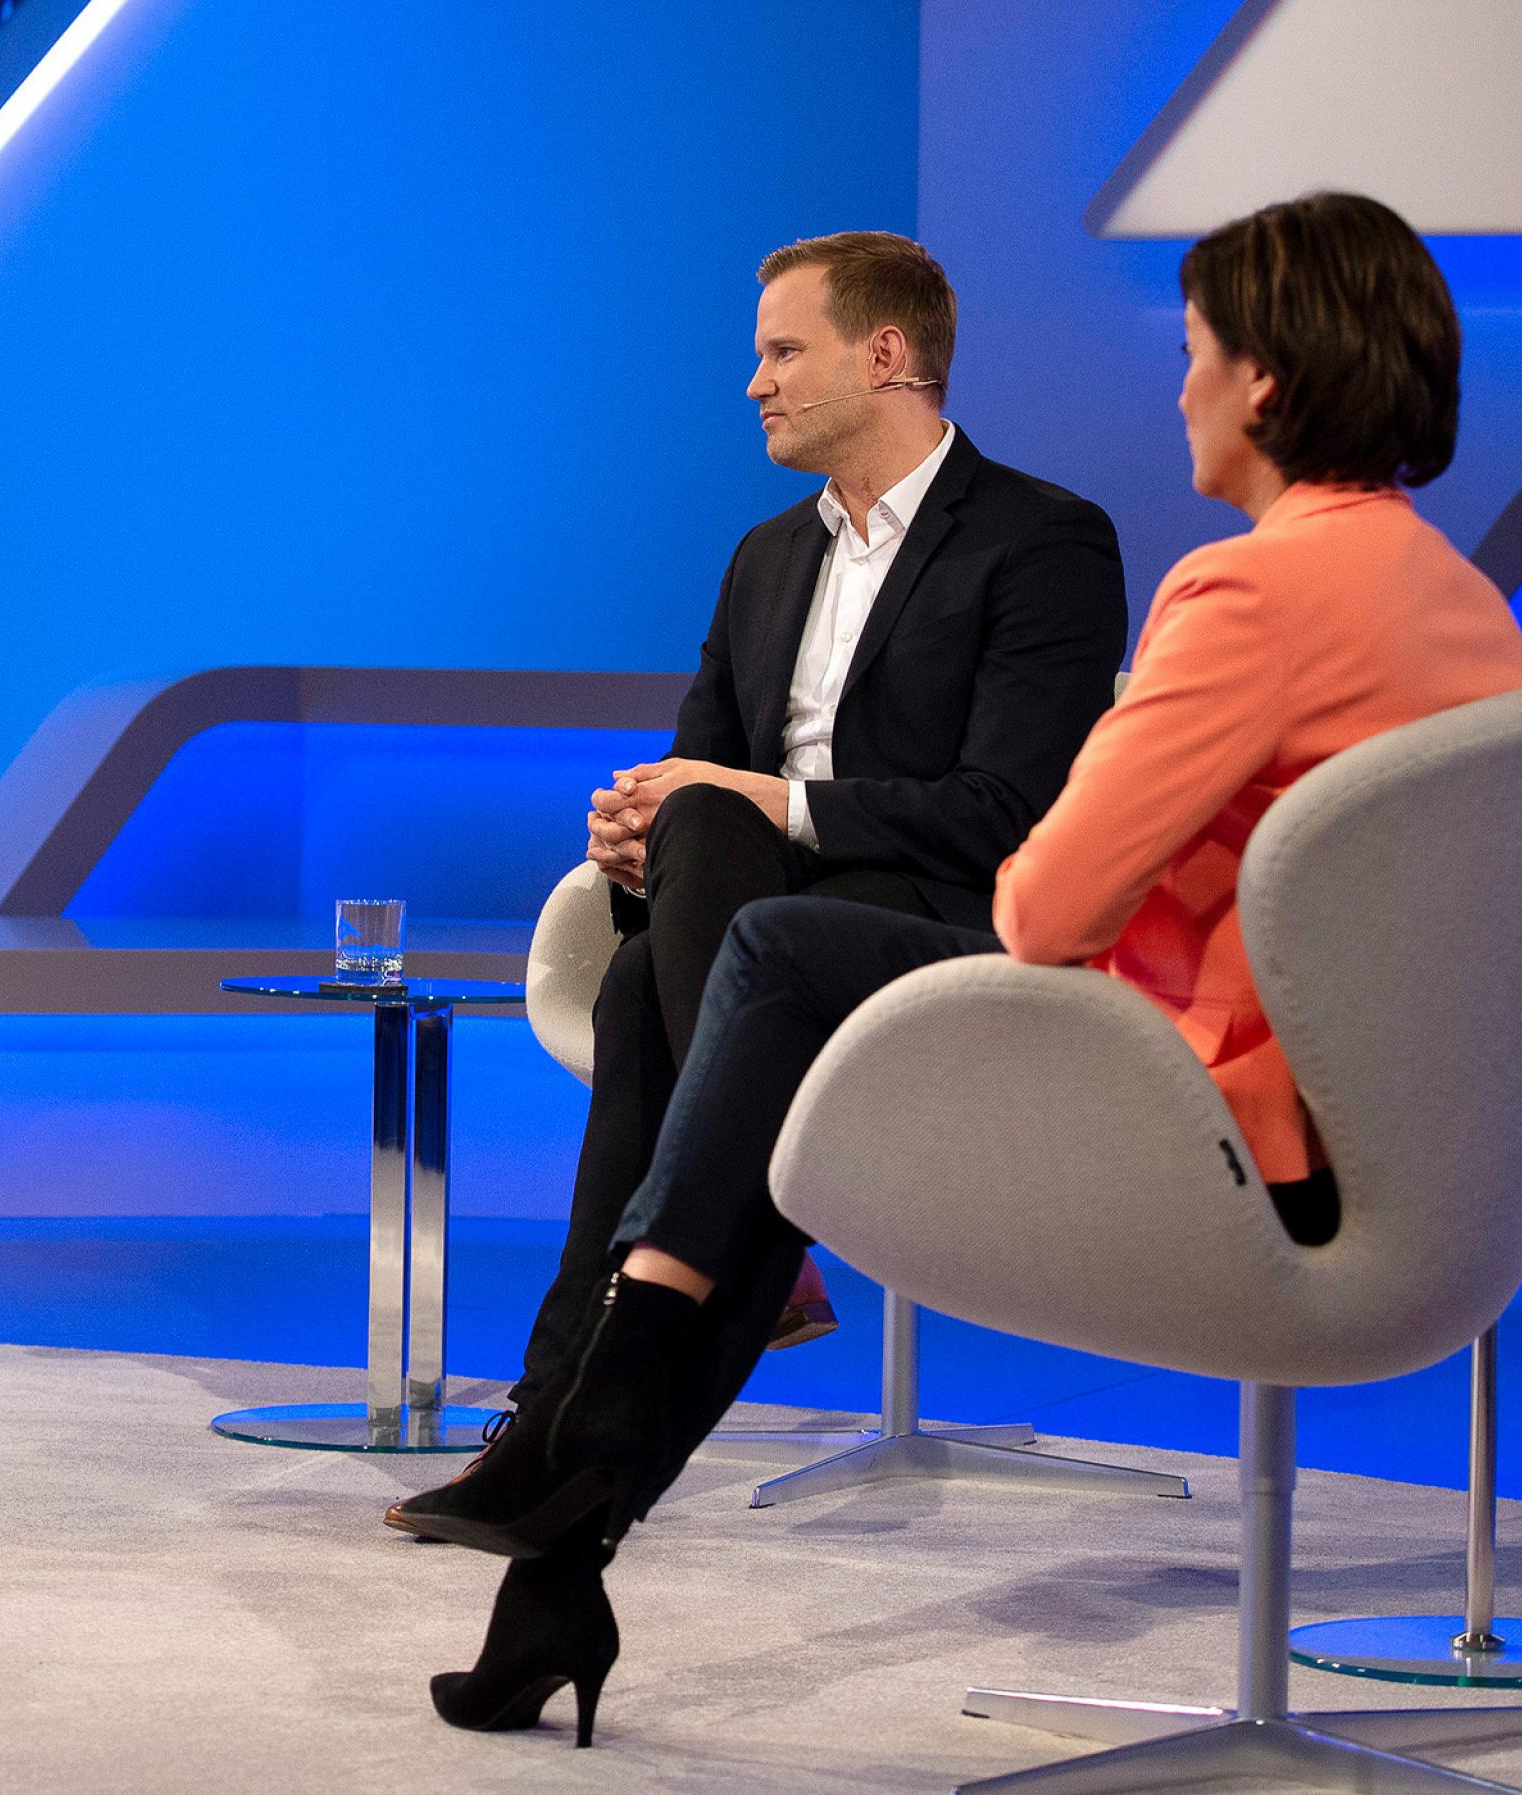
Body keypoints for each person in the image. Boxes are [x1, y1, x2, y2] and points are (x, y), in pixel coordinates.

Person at [401, 191, 1522, 1744]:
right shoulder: (1466, 606)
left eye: (1195, 351)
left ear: (1262, 380)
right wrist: (669, 817)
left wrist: (756, 812)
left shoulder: (1226, 584)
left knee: (759, 948)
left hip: (1205, 1114)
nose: (1180, 385)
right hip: (1418, 1144)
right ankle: (589, 1449)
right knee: (710, 932)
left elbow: (1042, 895)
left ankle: (591, 1392)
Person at [388, 232, 1126, 1539]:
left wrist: (751, 804)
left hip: (942, 927)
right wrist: (635, 833)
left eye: (782, 351)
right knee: (652, 946)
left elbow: (1008, 813)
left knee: (658, 967)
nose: (754, 385)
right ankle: (610, 1381)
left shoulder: (1042, 541)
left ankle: (630, 1345)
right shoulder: (762, 556)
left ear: (884, 356)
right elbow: (702, 768)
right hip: (742, 928)